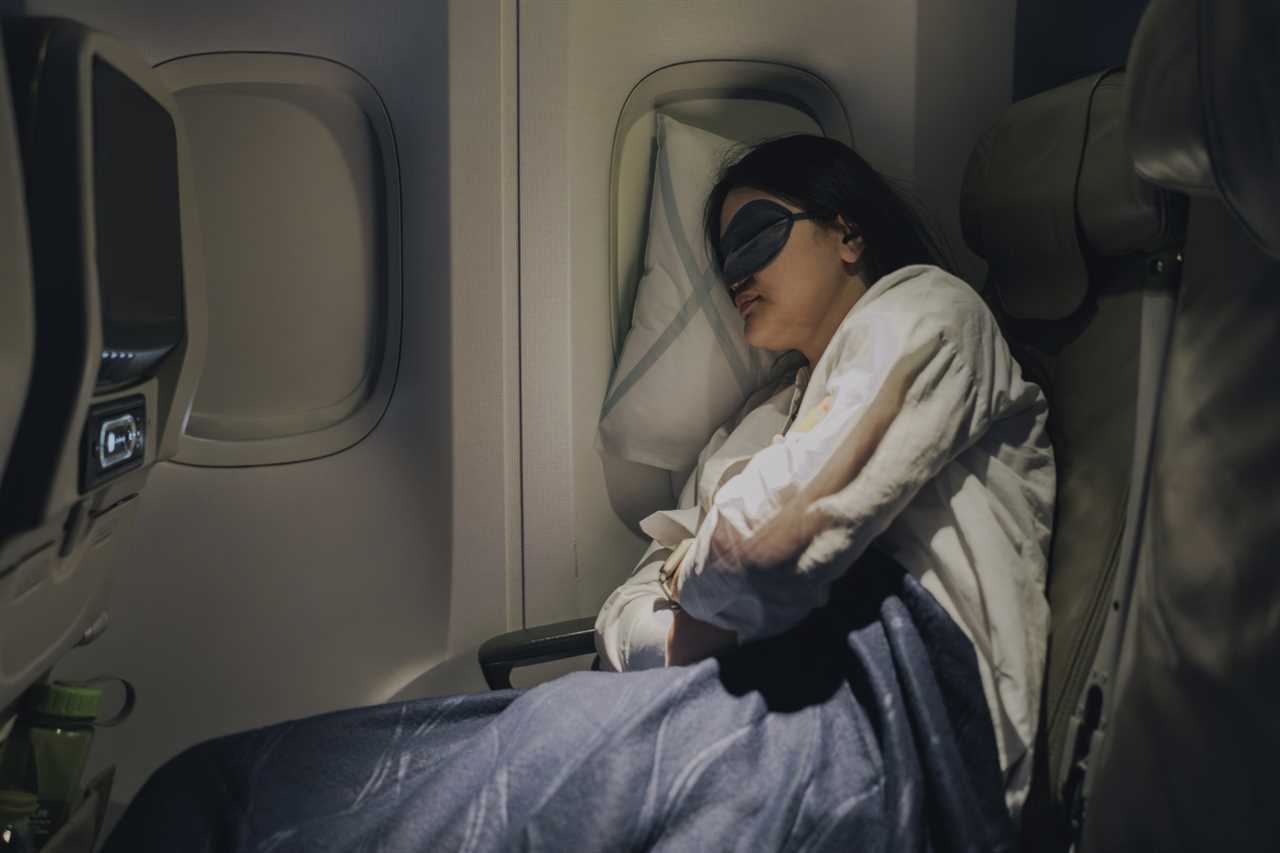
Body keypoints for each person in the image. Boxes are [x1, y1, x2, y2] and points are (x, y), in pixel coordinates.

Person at [594, 134, 1054, 819]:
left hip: (904, 717)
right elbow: (622, 611)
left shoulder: (926, 313)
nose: (735, 276)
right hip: (747, 691)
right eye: (725, 262)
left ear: (848, 232)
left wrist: (693, 592)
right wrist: (690, 600)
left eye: (756, 238)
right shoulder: (760, 419)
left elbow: (765, 549)